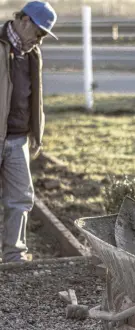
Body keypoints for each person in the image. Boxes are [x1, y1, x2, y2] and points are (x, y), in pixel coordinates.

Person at [0, 1, 58, 262]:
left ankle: (14, 255)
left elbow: (36, 96)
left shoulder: (32, 53)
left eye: (44, 35)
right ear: (24, 20)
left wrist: (37, 133)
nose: (40, 39)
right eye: (39, 32)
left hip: (18, 138)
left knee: (21, 198)